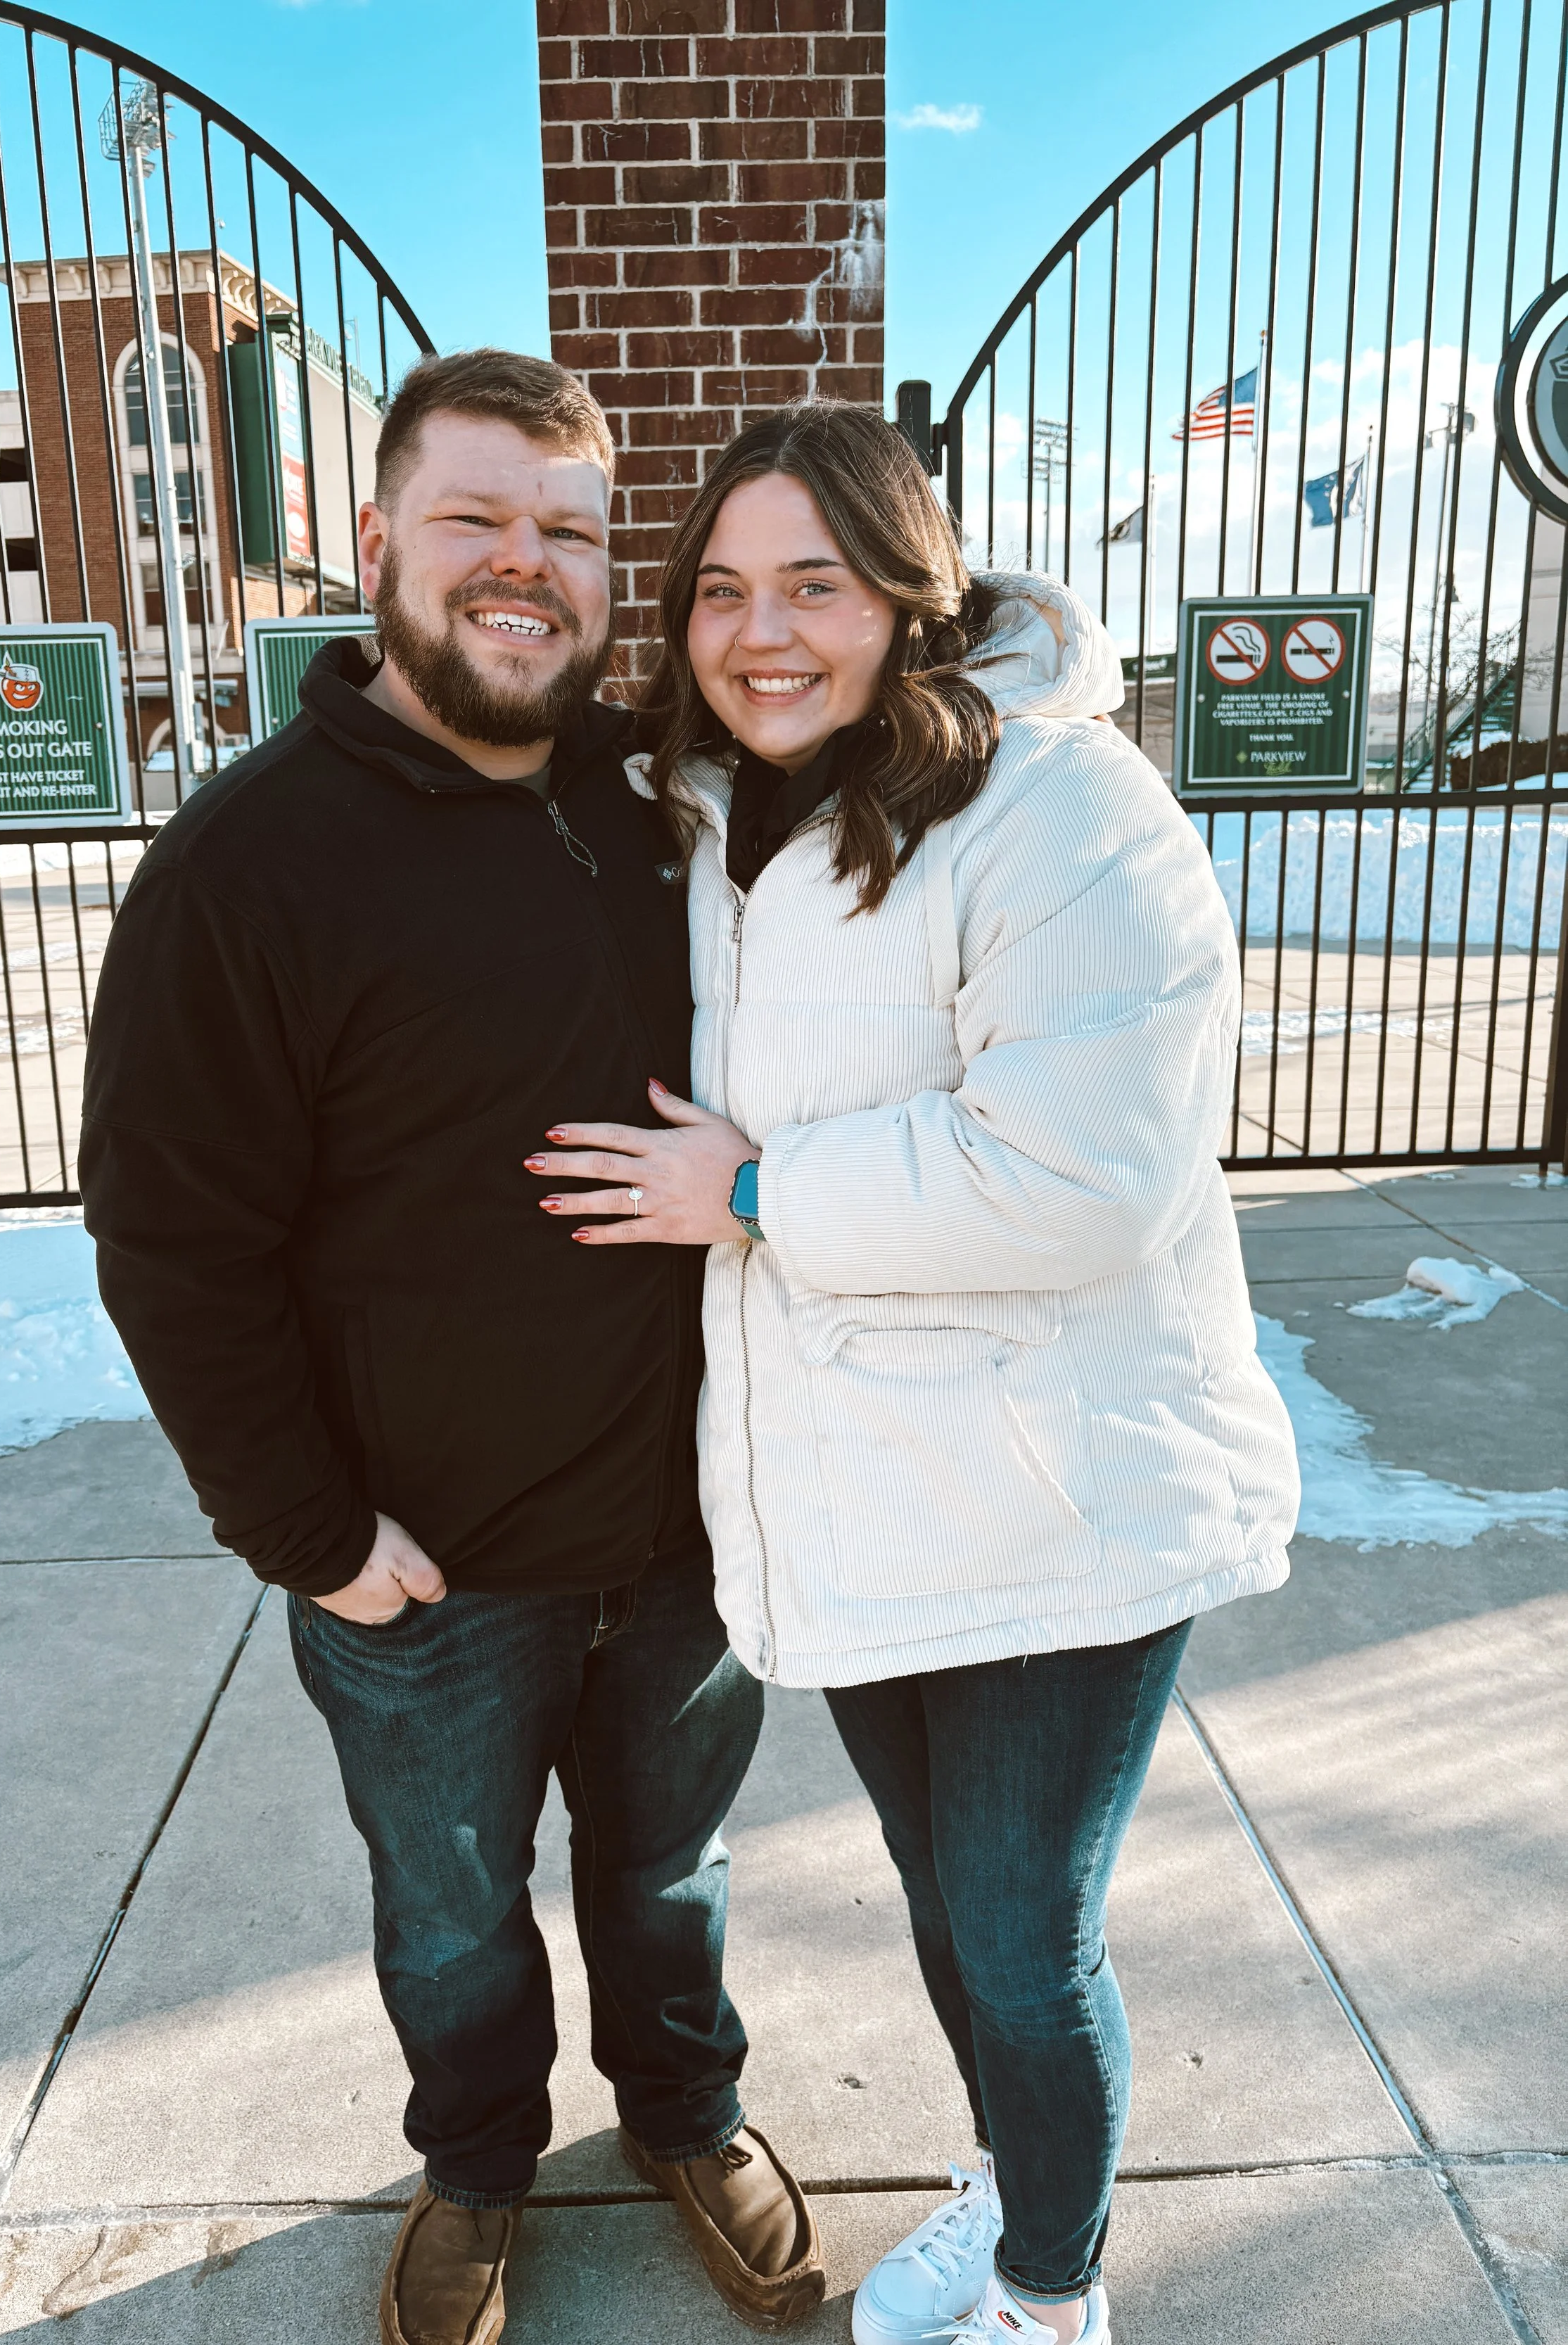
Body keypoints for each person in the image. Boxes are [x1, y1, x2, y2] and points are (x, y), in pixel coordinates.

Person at [526, 401, 1300, 2345]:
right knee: (946, 1899)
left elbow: (1082, 1179)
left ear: (909, 593)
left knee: (1024, 1937)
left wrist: (760, 1189)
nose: (761, 629)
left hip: (1064, 1483)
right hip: (864, 1482)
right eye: (718, 587)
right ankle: (1014, 2180)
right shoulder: (713, 822)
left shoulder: (1063, 809)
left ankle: (1054, 2297)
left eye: (814, 582)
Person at [79, 350, 825, 2345]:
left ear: (609, 569)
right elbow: (173, 1241)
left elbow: (905, 692)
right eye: (478, 519)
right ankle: (479, 2163)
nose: (527, 566)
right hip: (421, 1572)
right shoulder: (247, 865)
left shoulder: (662, 801)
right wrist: (310, 1534)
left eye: (569, 532)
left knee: (671, 1882)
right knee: (446, 1911)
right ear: (375, 539)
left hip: (686, 1541)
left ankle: (685, 2109)